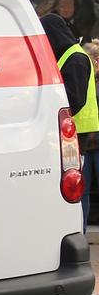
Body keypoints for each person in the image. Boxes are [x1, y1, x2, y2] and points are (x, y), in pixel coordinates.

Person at [42, 12, 98, 231]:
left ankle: (78, 232)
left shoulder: (74, 59)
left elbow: (74, 99)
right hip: (75, 134)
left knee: (75, 190)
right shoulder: (68, 55)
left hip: (78, 134)